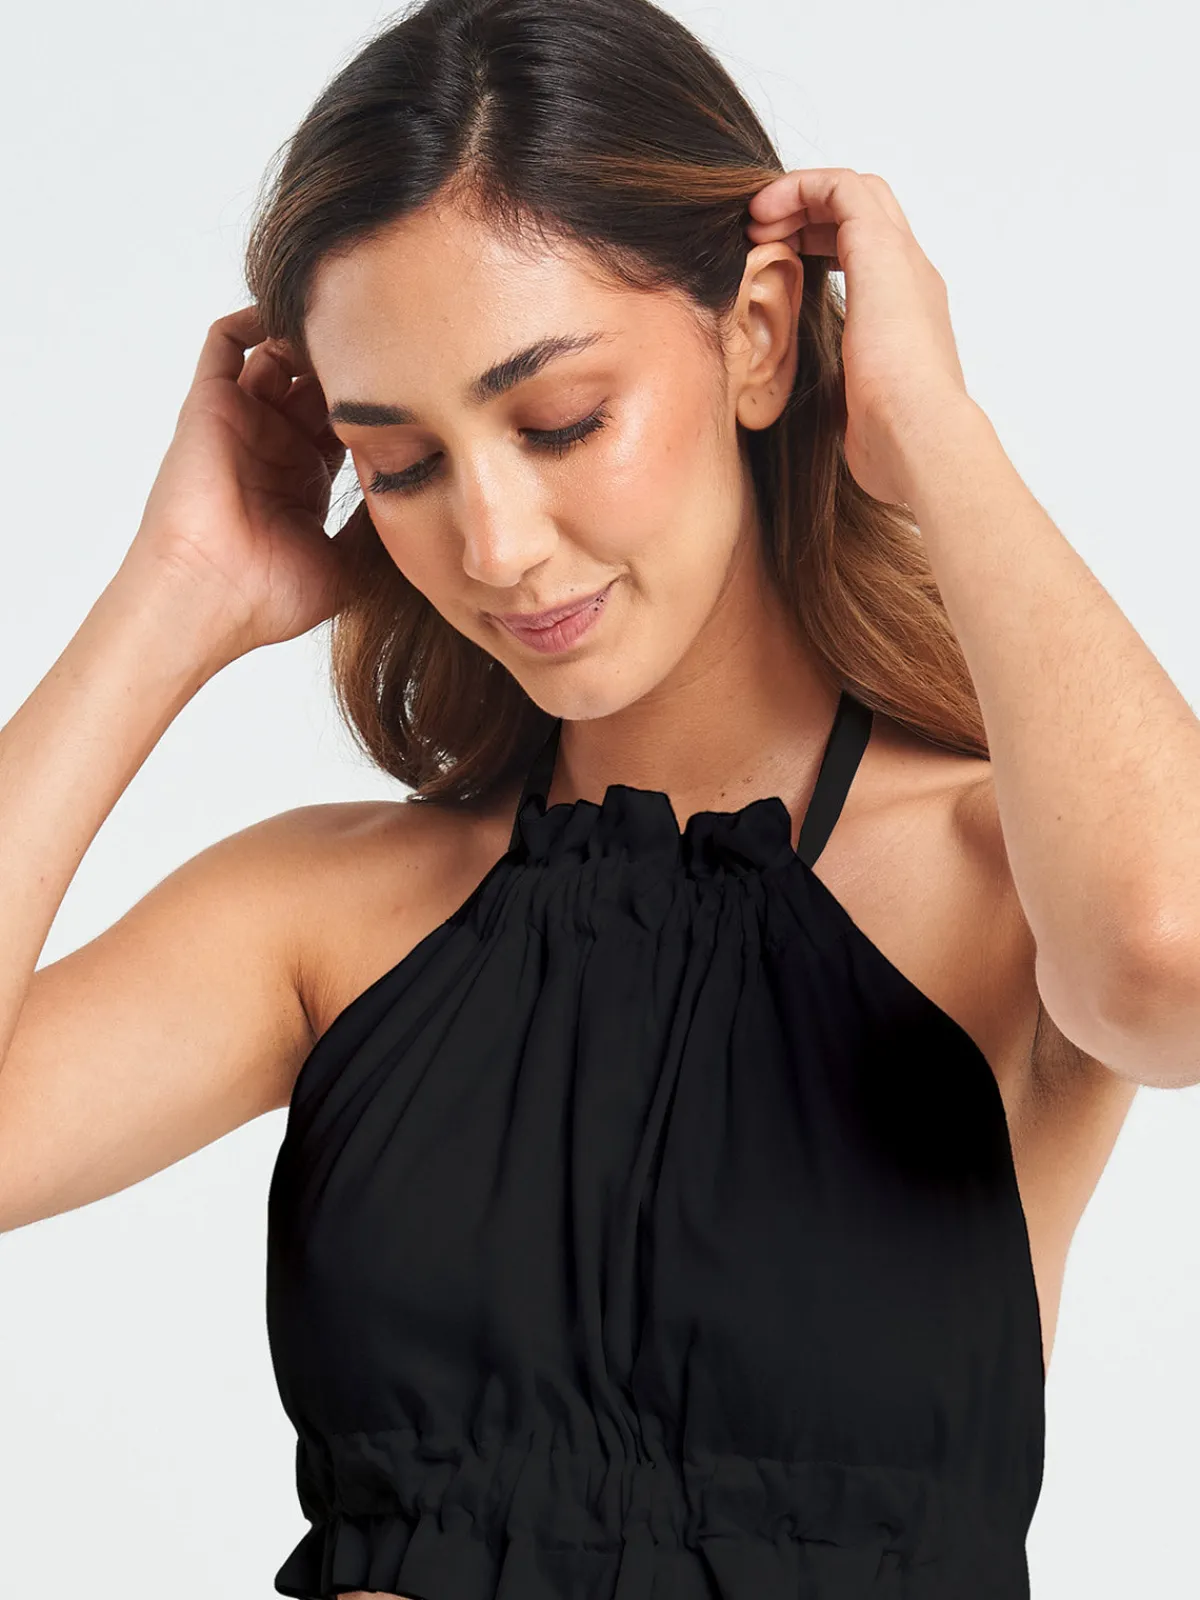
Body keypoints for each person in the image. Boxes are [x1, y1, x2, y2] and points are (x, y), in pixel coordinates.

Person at [3, 0, 1199, 1595]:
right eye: (402, 463)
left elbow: (1171, 961)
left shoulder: (999, 876)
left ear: (756, 333)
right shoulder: (325, 915)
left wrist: (930, 432)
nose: (493, 545)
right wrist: (173, 597)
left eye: (560, 421)